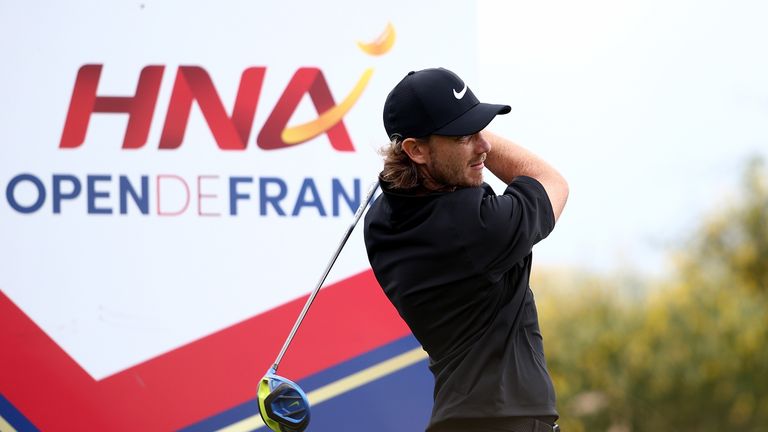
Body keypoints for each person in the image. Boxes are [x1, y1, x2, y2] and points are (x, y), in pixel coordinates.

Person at [363, 68, 569, 432]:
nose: (484, 146)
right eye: (465, 136)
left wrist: (459, 131)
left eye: (481, 130)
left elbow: (410, 191)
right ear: (416, 149)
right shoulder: (477, 225)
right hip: (507, 421)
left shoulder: (379, 223)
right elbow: (551, 182)